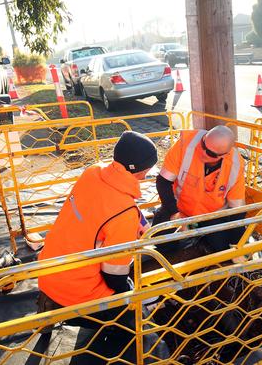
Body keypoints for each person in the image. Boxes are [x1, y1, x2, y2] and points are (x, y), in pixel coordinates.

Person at [36, 130, 158, 362]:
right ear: (139, 169)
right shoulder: (124, 213)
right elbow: (113, 274)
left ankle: (47, 304)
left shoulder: (93, 173)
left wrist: (136, 219)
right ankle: (136, 340)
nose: (148, 173)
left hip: (49, 270)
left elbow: (106, 209)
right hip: (78, 291)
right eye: (148, 168)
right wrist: (128, 292)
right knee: (133, 301)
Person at [154, 125, 246, 255]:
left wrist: (236, 244)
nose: (202, 152)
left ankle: (203, 243)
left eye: (209, 153)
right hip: (179, 209)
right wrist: (174, 213)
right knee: (161, 243)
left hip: (212, 215)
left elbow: (238, 210)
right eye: (203, 144)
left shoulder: (236, 164)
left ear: (224, 155)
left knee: (223, 250)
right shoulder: (185, 144)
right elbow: (163, 182)